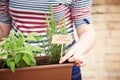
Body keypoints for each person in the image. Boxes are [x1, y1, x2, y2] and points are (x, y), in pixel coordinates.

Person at [0, 0, 96, 80]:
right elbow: (3, 30)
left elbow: (87, 32)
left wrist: (78, 50)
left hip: (61, 65)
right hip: (19, 63)